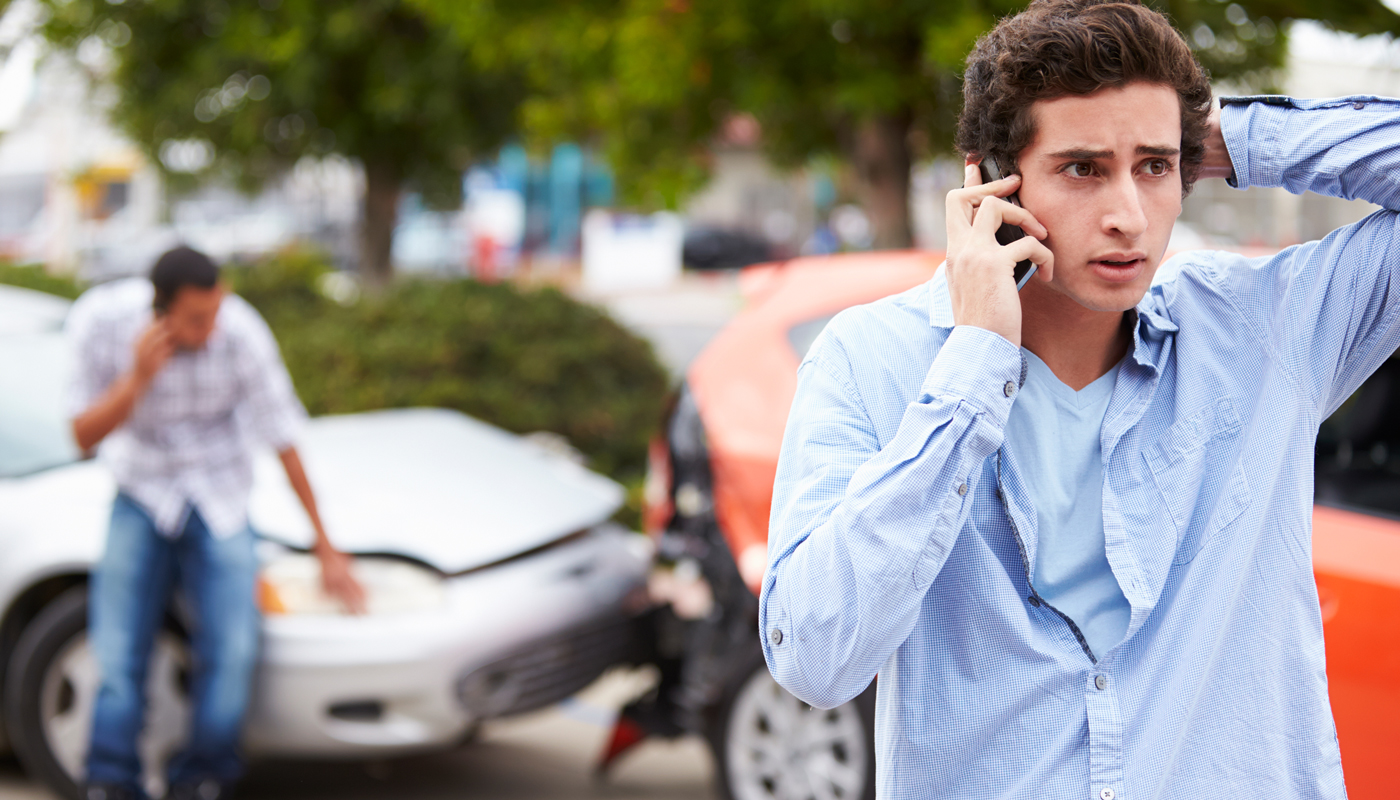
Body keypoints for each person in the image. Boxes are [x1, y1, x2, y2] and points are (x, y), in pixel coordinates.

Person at [761, 0, 1399, 796]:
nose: (1129, 216)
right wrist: (974, 368)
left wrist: (1220, 136)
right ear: (990, 182)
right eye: (1084, 168)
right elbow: (814, 660)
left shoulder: (1262, 333)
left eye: (1155, 169)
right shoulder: (871, 360)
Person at [68, 247, 367, 800]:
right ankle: (110, 779)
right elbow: (82, 436)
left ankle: (204, 777)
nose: (213, 327)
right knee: (117, 649)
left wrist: (326, 544)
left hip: (220, 494)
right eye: (197, 319)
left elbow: (283, 434)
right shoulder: (100, 322)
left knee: (232, 647)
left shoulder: (241, 333)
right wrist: (136, 379)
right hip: (141, 489)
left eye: (216, 311)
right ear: (159, 312)